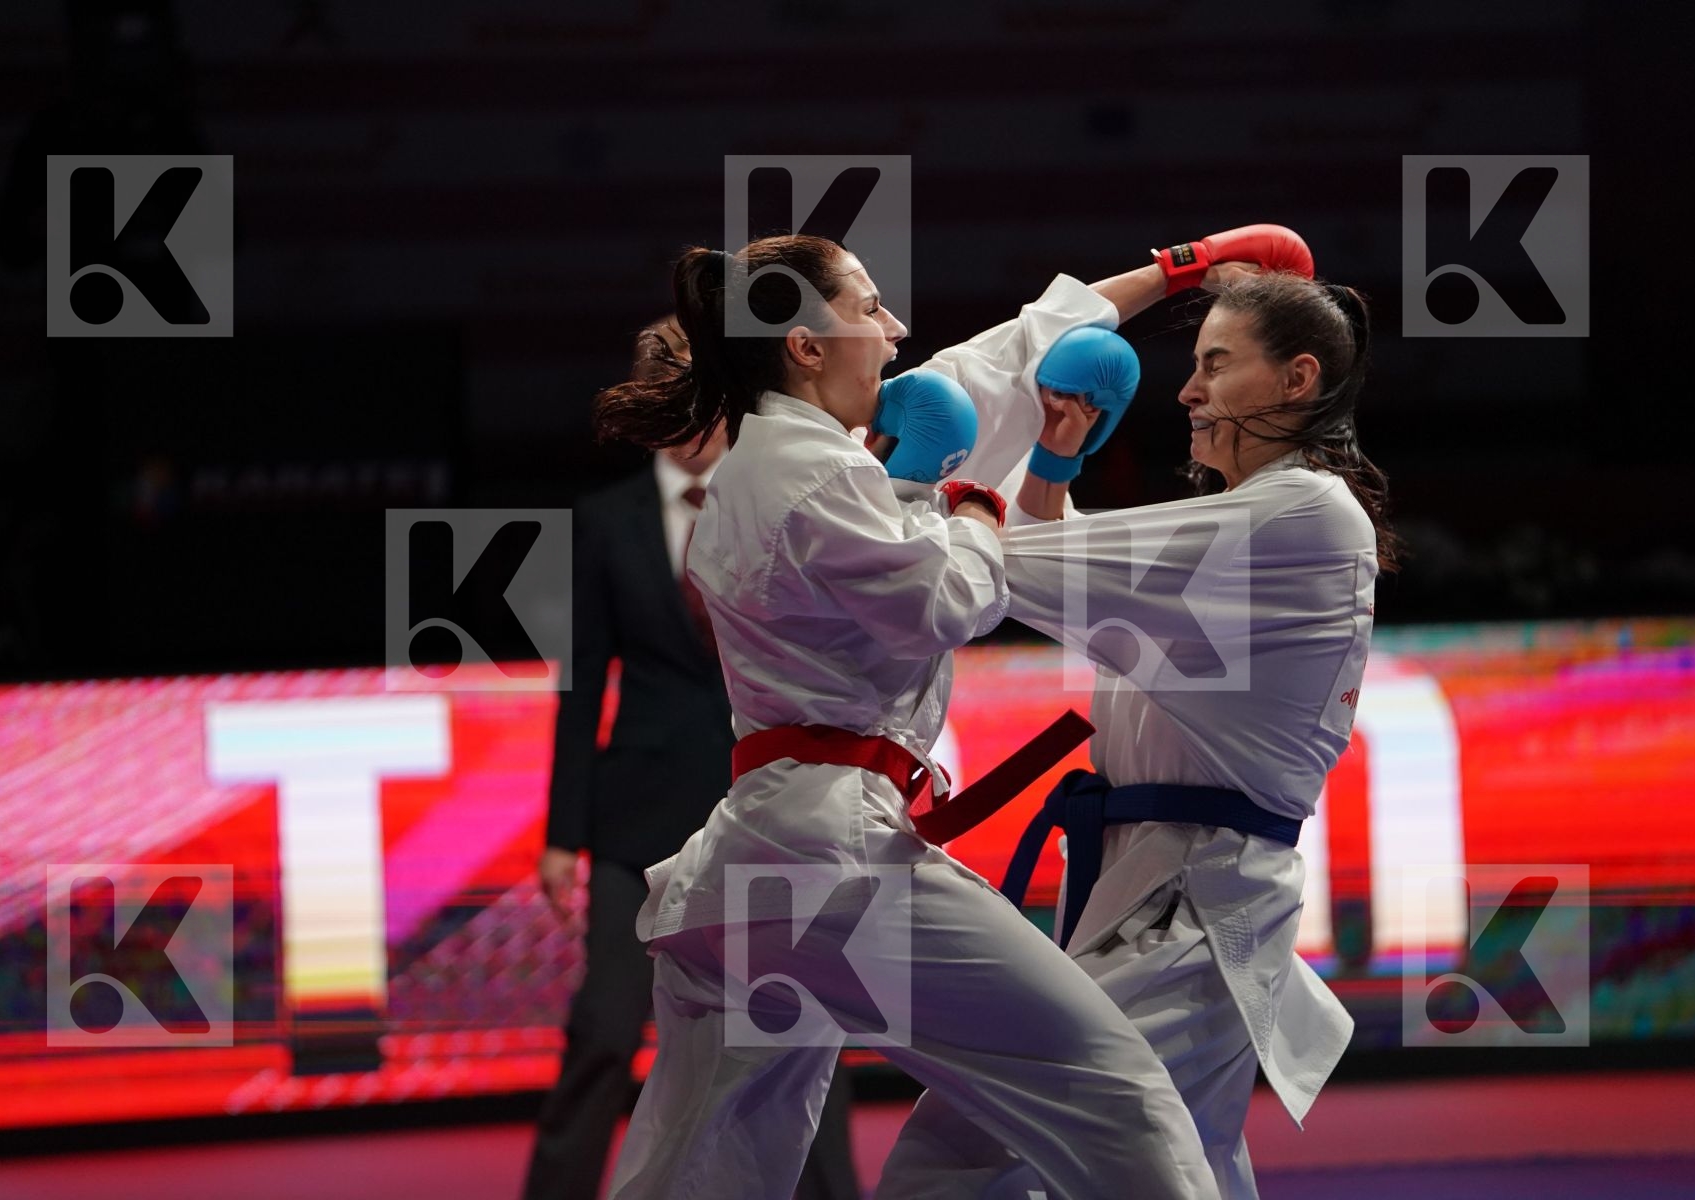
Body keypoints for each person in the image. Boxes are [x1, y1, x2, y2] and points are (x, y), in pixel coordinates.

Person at [592, 235, 1220, 1200]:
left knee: (707, 1164)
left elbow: (1005, 357)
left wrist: (1179, 269)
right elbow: (944, 602)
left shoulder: (798, 457)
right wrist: (961, 498)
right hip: (828, 860)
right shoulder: (812, 471)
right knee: (1110, 1082)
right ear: (804, 344)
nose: (894, 332)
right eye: (872, 308)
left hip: (759, 870)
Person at [930, 230, 1392, 1199]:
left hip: (1193, 904)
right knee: (1181, 1161)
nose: (1185, 391)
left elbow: (1020, 570)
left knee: (972, 1154)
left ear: (1296, 380)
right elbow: (1067, 573)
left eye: (1216, 366)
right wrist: (1054, 456)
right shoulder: (1258, 528)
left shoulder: (1297, 517)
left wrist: (922, 484)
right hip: (1162, 890)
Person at [524, 319, 859, 1200]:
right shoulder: (602, 524)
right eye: (671, 391)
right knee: (603, 1033)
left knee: (800, 1029)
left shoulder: (785, 498)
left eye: (704, 390)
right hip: (638, 819)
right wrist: (565, 834)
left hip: (770, 808)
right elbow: (579, 686)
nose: (696, 413)